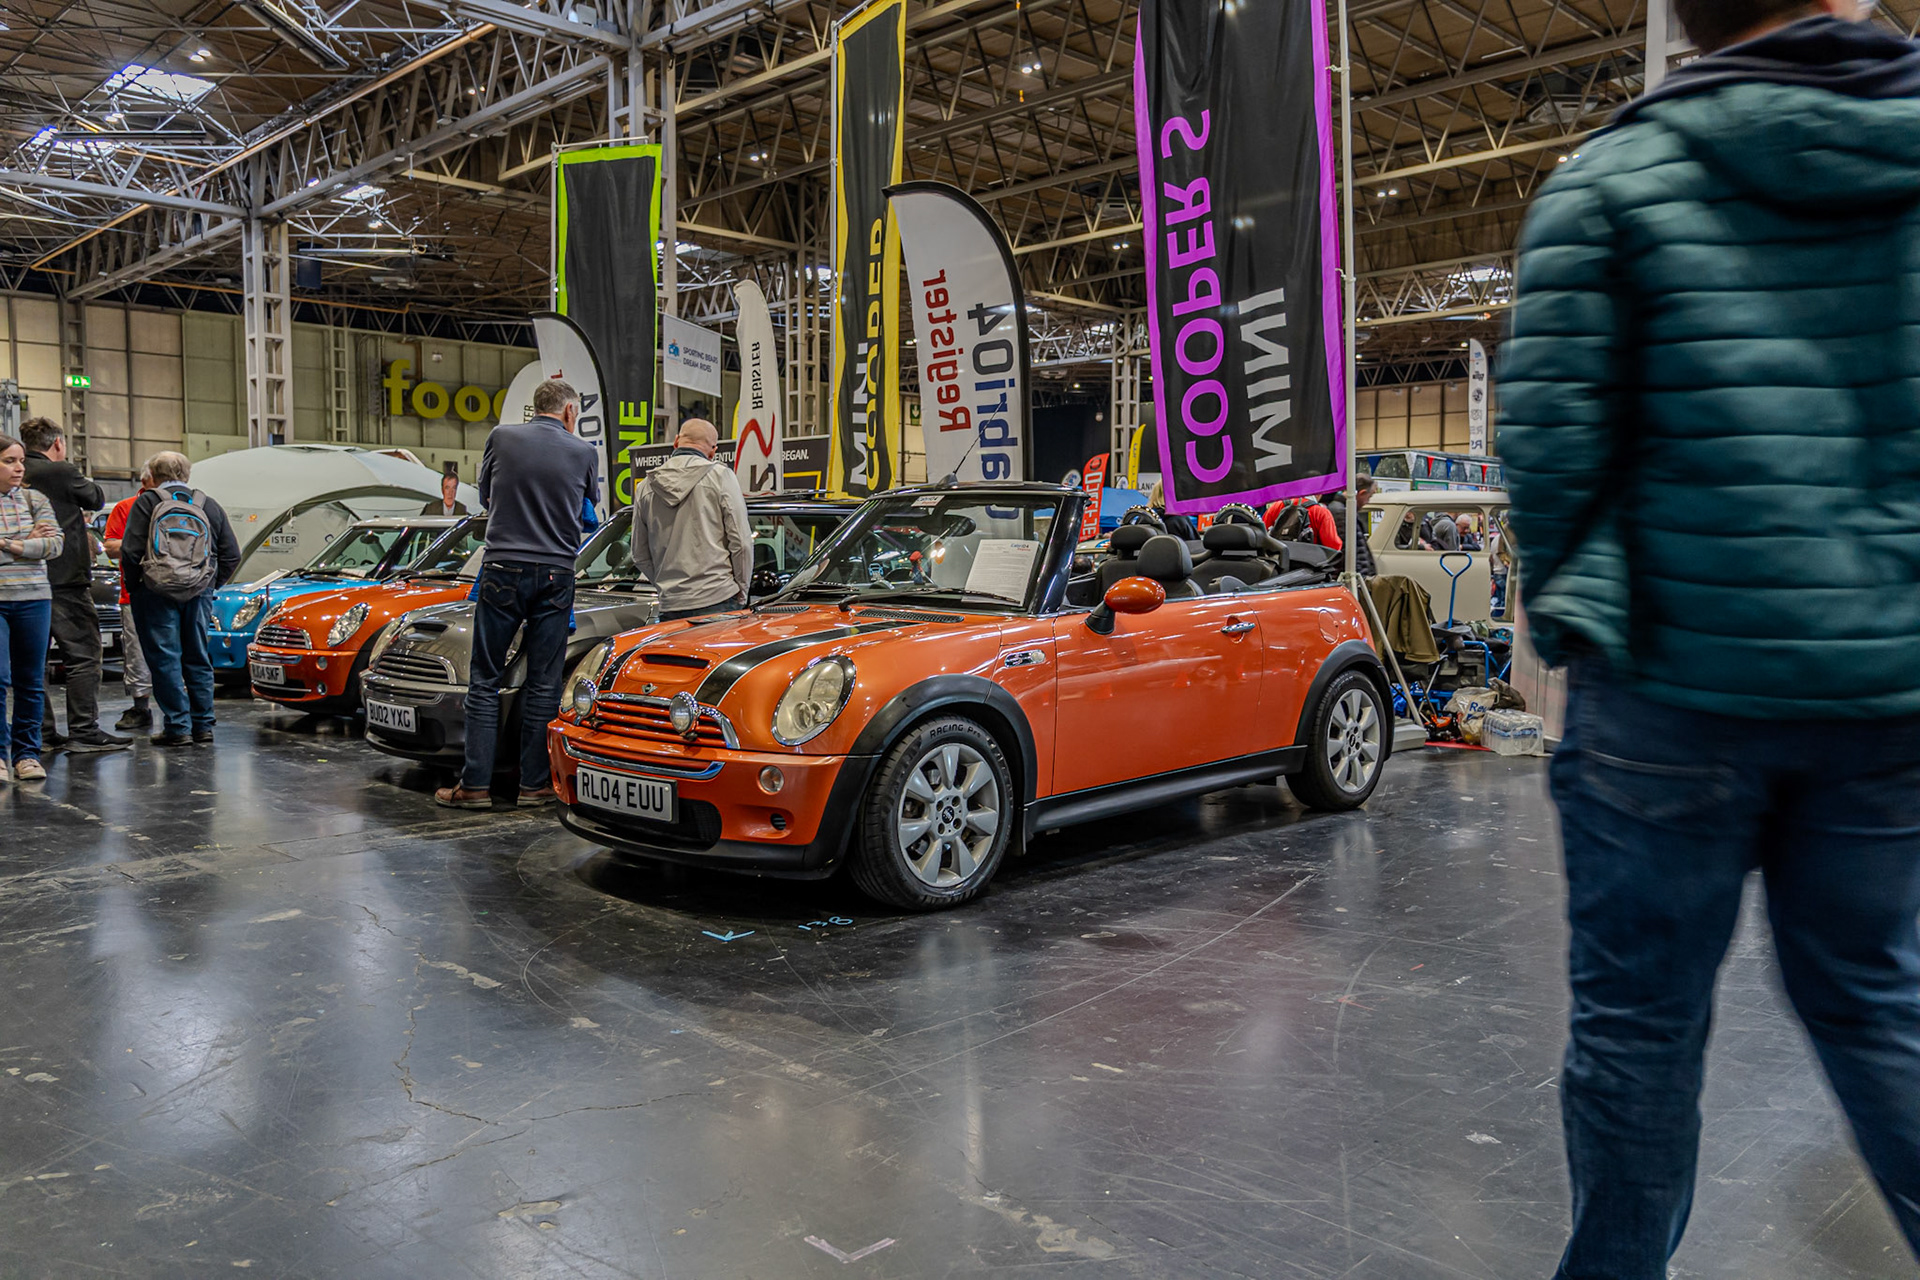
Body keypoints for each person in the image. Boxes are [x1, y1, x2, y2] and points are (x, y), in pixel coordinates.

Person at [1499, 0, 1920, 1271]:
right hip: (1883, 679)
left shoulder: (1611, 181)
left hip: (1667, 679)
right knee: (1877, 1002)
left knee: (1637, 1030)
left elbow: (1550, 442)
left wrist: (1577, 610)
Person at [437, 378, 598, 810]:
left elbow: (486, 496)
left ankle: (475, 787)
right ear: (569, 412)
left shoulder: (501, 437)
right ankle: (533, 786)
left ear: (535, 407)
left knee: (485, 680)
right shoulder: (584, 452)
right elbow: (588, 512)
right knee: (544, 683)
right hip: (557, 574)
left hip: (502, 569)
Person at [120, 452, 241, 747]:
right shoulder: (208, 505)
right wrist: (209, 585)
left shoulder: (147, 503)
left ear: (153, 475)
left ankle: (178, 727)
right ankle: (203, 726)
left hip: (155, 593)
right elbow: (231, 554)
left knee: (165, 658)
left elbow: (130, 551)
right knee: (198, 656)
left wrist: (137, 587)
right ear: (186, 475)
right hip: (198, 592)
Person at [21, 417, 126, 752]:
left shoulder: (16, 473)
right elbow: (96, 497)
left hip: (23, 581)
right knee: (84, 655)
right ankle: (83, 730)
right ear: (57, 443)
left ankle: (42, 733)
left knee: (33, 663)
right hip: (65, 580)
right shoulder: (61, 471)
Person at [629, 418, 753, 622]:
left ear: (676, 441)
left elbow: (639, 554)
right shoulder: (721, 477)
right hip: (717, 597)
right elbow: (741, 543)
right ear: (713, 451)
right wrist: (741, 590)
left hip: (670, 604)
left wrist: (667, 587)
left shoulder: (645, 486)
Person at [0, 433, 63, 783]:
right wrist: (27, 542)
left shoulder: (34, 499)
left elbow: (55, 545)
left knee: (31, 681)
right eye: (9, 461)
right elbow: (39, 545)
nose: (19, 467)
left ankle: (26, 755)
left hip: (35, 598)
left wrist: (10, 545)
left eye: (21, 460)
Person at [102, 470, 157, 731]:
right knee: (136, 653)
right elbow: (110, 547)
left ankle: (182, 711)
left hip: (178, 593)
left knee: (180, 651)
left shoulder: (184, 505)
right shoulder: (125, 507)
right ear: (145, 480)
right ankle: (141, 707)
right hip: (134, 593)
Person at [1325, 475, 1378, 577]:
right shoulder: (1342, 513)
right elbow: (1347, 552)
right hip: (1353, 576)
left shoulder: (1342, 510)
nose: (1367, 502)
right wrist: (1359, 577)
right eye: (1369, 497)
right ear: (1362, 493)